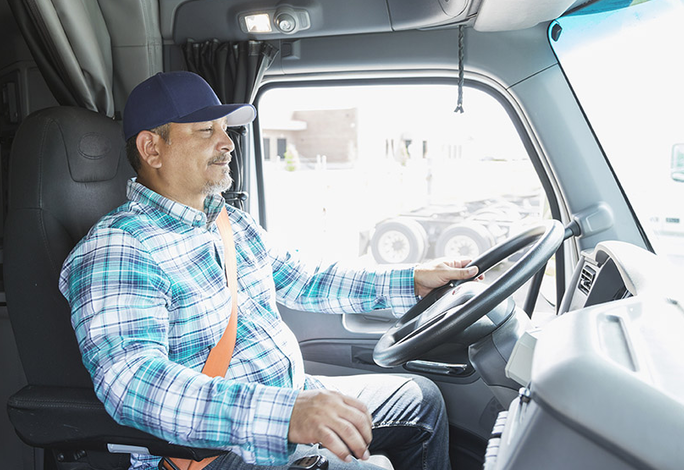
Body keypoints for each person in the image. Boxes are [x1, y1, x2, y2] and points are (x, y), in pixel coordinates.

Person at [59, 71, 481, 470]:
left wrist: (412, 280)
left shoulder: (227, 221)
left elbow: (305, 278)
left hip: (288, 395)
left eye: (225, 129)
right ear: (152, 149)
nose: (227, 143)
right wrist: (285, 415)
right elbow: (132, 382)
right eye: (207, 130)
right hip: (211, 452)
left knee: (420, 398)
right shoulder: (119, 248)